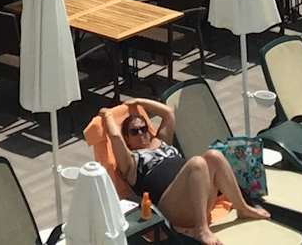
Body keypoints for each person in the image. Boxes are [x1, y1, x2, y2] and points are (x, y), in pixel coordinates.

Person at [103, 97, 268, 245]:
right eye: (134, 131)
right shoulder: (131, 161)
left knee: (214, 155)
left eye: (144, 128)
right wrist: (107, 115)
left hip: (198, 200)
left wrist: (139, 102)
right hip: (172, 209)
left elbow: (168, 113)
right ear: (127, 139)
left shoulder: (161, 141)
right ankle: (201, 229)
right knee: (197, 163)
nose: (141, 133)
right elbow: (115, 137)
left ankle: (242, 208)